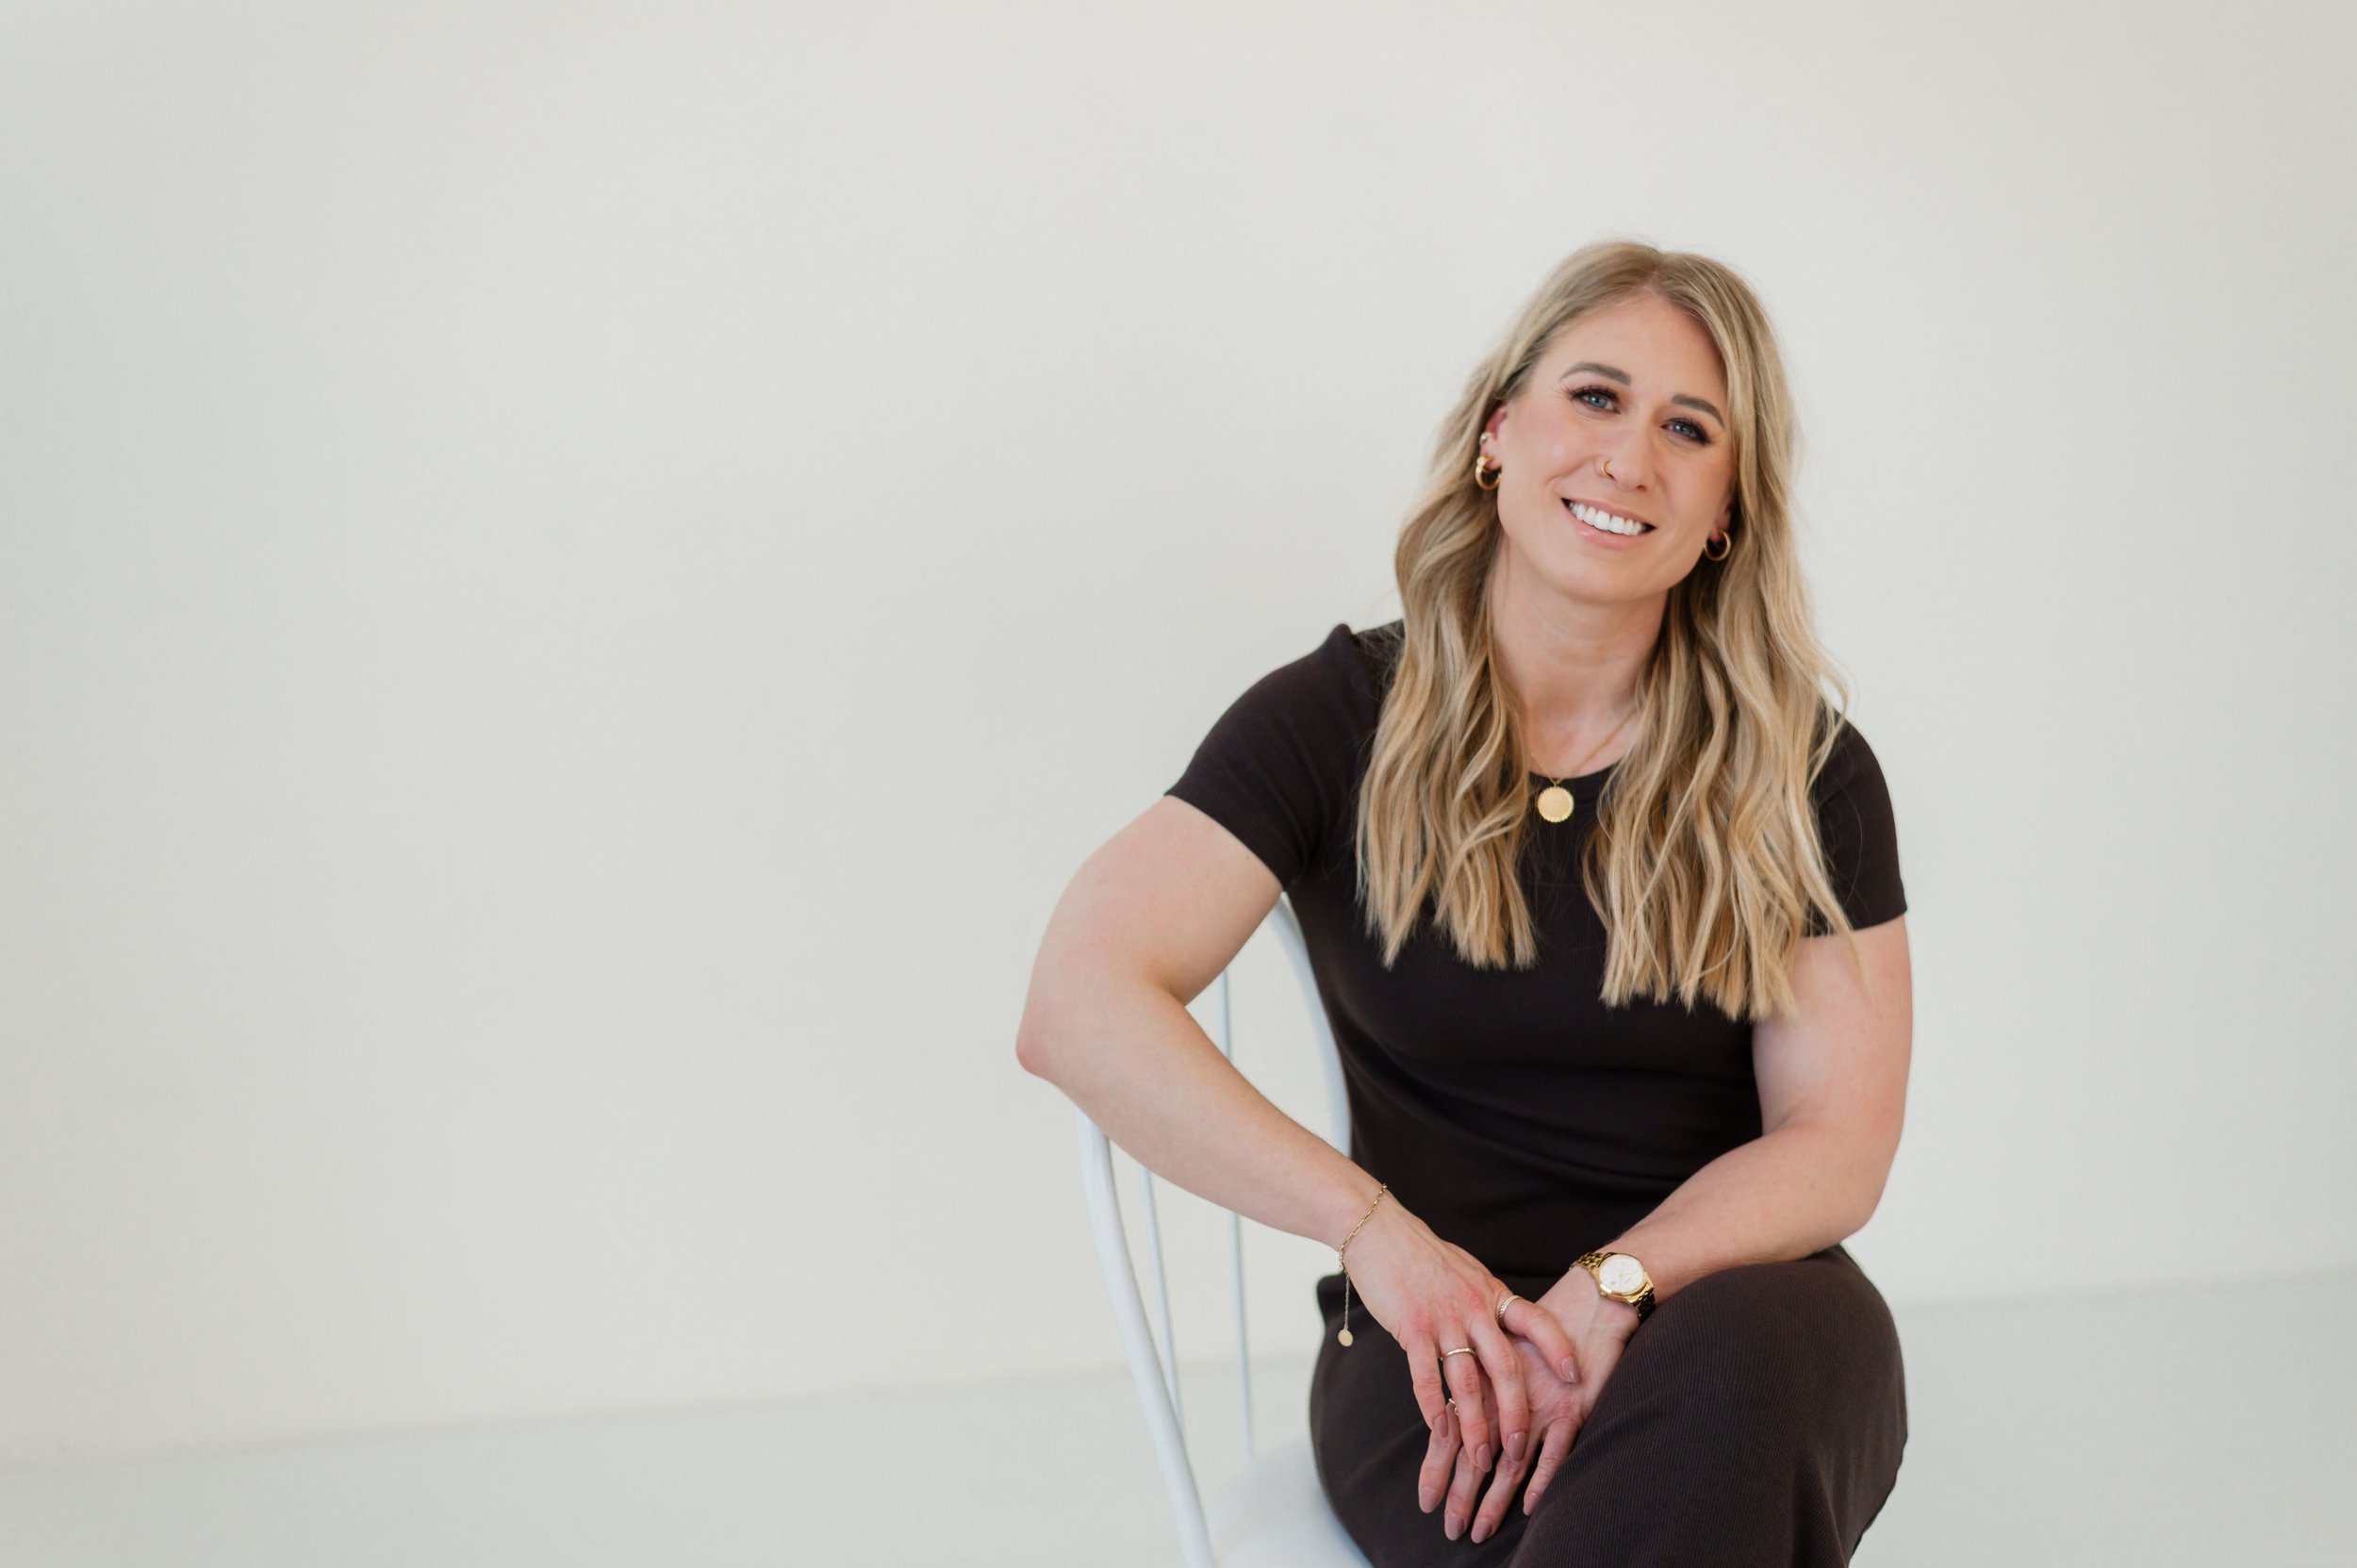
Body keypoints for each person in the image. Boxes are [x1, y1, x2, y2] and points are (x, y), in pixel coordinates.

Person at [1015, 238, 1912, 1565]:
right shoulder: (1334, 721)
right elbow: (1077, 1005)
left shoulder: (1803, 772)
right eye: (1595, 398)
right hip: (1441, 1343)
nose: (1628, 458)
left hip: (1736, 1315)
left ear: (1726, 508)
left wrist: (1623, 1282)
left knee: (1730, 1386)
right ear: (1500, 433)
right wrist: (1374, 1232)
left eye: (1689, 428)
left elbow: (1837, 1140)